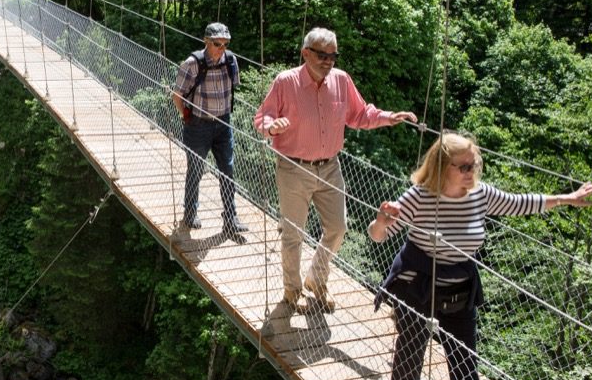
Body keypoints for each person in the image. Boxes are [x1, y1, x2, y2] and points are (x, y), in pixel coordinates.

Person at [368, 132, 592, 380]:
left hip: (459, 288)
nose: (470, 171)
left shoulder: (480, 195)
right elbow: (378, 235)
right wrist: (382, 220)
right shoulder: (419, 197)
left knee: (465, 357)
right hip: (416, 286)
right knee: (411, 346)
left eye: (473, 164)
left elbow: (520, 203)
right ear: (441, 167)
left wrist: (567, 198)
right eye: (462, 166)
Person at [253, 27, 416, 312]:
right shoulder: (285, 81)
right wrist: (270, 126)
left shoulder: (341, 81)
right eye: (321, 55)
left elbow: (360, 114)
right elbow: (263, 115)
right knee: (294, 233)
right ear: (306, 53)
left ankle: (316, 279)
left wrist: (389, 117)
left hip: (330, 167)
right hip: (293, 168)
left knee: (338, 228)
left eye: (333, 56)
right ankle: (292, 291)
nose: (328, 61)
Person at [171, 22, 247, 236]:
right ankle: (191, 212)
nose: (221, 48)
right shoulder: (192, 64)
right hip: (198, 125)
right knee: (196, 169)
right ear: (206, 41)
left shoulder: (231, 61)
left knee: (228, 170)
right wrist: (185, 115)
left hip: (223, 123)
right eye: (217, 44)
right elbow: (177, 96)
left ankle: (231, 217)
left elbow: (233, 88)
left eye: (225, 44)